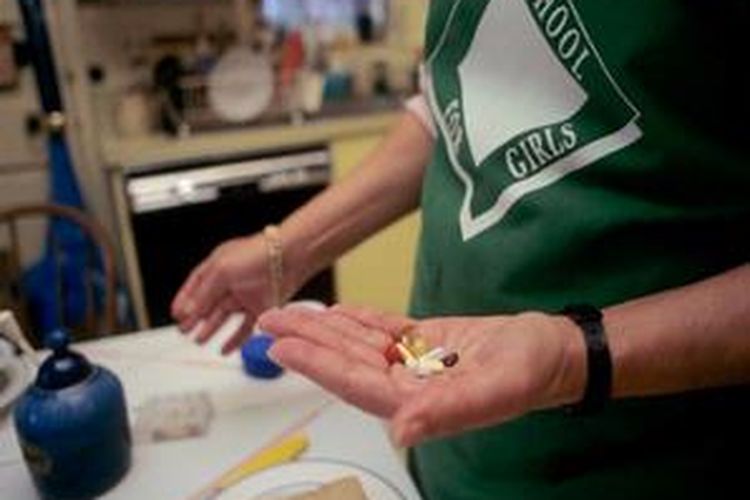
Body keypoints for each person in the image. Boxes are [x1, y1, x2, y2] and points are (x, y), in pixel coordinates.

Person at [172, 1, 750, 498]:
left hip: (631, 462)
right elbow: (455, 105)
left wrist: (572, 355)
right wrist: (291, 249)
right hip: (447, 437)